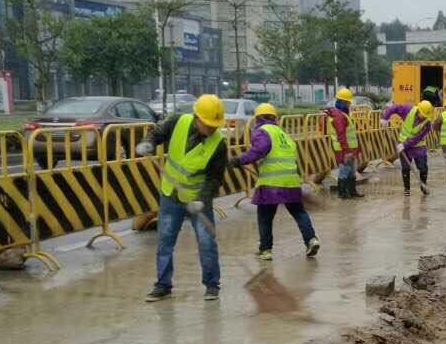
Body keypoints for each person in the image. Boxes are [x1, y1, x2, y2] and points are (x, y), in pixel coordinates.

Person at [137, 94, 228, 302]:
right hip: (171, 195)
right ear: (196, 118)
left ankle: (212, 284)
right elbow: (156, 133)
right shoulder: (177, 121)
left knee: (206, 242)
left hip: (198, 199)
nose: (212, 128)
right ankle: (162, 285)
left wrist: (202, 200)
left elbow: (215, 179)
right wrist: (148, 143)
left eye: (215, 125)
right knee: (165, 240)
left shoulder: (219, 144)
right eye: (208, 124)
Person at [228, 102, 320, 262]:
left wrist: (239, 159)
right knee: (299, 213)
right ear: (274, 118)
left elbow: (259, 150)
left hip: (271, 183)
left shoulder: (262, 131)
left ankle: (266, 250)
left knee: (264, 217)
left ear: (258, 118)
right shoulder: (283, 134)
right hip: (291, 181)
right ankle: (311, 239)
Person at [382, 99, 433, 196]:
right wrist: (385, 117)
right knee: (405, 168)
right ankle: (407, 190)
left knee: (423, 168)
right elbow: (394, 107)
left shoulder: (427, 123)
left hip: (418, 147)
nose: (423, 117)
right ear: (418, 109)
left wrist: (404, 145)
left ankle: (423, 186)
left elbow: (417, 138)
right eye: (422, 114)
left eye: (425, 115)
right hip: (403, 146)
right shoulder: (408, 110)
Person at [325, 86, 362, 199]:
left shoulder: (342, 114)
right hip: (344, 150)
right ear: (341, 102)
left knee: (351, 171)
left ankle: (352, 191)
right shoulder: (339, 116)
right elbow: (341, 135)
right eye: (347, 103)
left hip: (350, 149)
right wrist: (346, 151)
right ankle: (343, 193)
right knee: (344, 171)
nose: (349, 105)